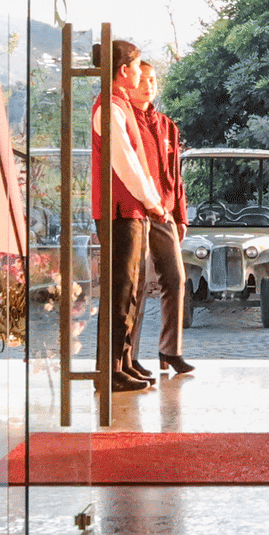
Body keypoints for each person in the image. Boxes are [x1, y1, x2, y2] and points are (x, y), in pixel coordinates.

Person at [90, 38, 167, 395]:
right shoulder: (110, 108)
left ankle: (123, 360)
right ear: (123, 72)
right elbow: (126, 163)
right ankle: (111, 368)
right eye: (137, 67)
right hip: (119, 211)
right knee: (120, 290)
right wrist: (152, 201)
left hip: (129, 210)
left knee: (131, 288)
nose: (141, 73)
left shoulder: (118, 105)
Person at [127, 59, 194, 377]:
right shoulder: (125, 121)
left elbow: (176, 177)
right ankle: (129, 357)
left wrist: (181, 215)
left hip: (164, 213)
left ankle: (170, 351)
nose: (148, 84)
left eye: (153, 79)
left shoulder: (167, 125)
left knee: (176, 279)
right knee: (135, 286)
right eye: (142, 79)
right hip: (137, 212)